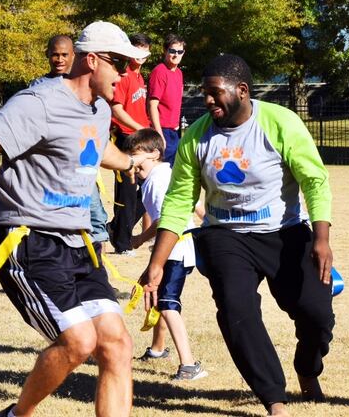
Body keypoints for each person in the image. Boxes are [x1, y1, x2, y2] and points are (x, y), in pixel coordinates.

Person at [0, 21, 151, 417]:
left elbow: (96, 150)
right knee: (79, 341)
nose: (126, 75)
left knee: (117, 343)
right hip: (31, 241)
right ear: (92, 60)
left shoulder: (99, 110)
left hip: (80, 244)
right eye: (119, 64)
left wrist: (130, 161)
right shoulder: (38, 101)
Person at [139, 54, 335, 417]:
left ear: (242, 91)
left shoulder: (279, 122)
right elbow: (179, 201)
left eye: (216, 93)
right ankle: (274, 400)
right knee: (236, 312)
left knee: (317, 315)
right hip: (225, 236)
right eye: (205, 93)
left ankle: (307, 369)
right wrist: (157, 262)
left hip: (285, 232)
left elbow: (314, 180)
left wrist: (321, 238)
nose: (208, 100)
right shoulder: (197, 135)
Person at [125, 128, 207, 381]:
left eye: (137, 157)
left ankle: (189, 365)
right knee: (158, 294)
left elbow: (164, 219)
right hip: (176, 247)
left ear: (155, 154)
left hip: (177, 248)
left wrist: (139, 238)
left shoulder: (158, 180)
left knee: (168, 302)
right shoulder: (160, 176)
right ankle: (158, 350)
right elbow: (195, 205)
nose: (134, 164)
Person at [30, 33, 111, 247]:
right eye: (55, 55)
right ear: (47, 55)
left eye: (64, 54)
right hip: (52, 166)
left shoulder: (84, 83)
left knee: (93, 210)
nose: (59, 59)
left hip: (81, 161)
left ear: (73, 55)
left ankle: (97, 257)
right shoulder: (38, 87)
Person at [107, 33, 151, 255]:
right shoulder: (123, 76)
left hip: (140, 140)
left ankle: (114, 229)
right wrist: (138, 127)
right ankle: (122, 243)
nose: (141, 55)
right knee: (126, 193)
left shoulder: (140, 78)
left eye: (145, 50)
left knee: (146, 191)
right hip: (125, 138)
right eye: (137, 49)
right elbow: (117, 109)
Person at [148, 34, 185, 165]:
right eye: (172, 51)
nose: (176, 55)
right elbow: (152, 105)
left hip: (174, 130)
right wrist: (159, 135)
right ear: (165, 51)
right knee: (160, 173)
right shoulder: (159, 72)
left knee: (171, 173)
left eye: (180, 51)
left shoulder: (179, 73)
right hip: (162, 130)